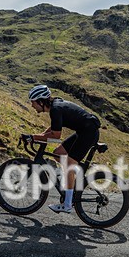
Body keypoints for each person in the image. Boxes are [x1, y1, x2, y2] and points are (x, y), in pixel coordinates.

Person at [27, 84, 101, 214]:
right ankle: (70, 182)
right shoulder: (55, 107)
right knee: (58, 153)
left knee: (69, 165)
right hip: (83, 131)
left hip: (88, 132)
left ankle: (67, 204)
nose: (32, 105)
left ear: (40, 101)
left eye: (33, 102)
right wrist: (39, 137)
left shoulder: (55, 109)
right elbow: (53, 129)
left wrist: (33, 137)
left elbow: (56, 135)